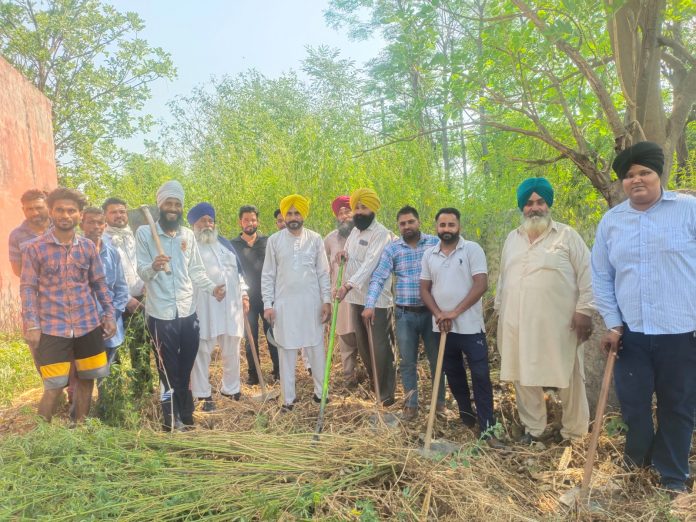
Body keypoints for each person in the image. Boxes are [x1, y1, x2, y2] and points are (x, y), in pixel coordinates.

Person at [591, 141, 696, 495]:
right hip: (631, 334)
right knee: (634, 406)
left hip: (681, 332)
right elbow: (602, 276)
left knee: (677, 406)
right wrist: (613, 323)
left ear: (658, 174)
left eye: (644, 172)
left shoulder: (688, 210)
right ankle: (637, 462)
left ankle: (673, 474)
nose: (637, 179)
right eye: (629, 175)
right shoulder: (612, 221)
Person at [495, 178, 593, 444]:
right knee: (522, 376)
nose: (534, 208)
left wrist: (585, 310)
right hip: (516, 324)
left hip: (560, 326)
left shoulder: (567, 236)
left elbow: (588, 275)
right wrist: (499, 312)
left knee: (569, 376)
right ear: (521, 207)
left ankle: (575, 433)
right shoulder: (511, 239)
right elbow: (504, 280)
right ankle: (534, 429)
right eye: (528, 203)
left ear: (548, 204)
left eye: (540, 202)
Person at [20, 187, 116, 422]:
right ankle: (44, 439)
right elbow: (28, 289)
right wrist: (31, 325)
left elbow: (99, 283)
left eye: (71, 211)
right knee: (53, 385)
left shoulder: (87, 248)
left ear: (79, 215)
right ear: (51, 212)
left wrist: (110, 314)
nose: (65, 215)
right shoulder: (34, 248)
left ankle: (79, 428)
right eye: (60, 210)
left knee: (87, 379)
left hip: (88, 324)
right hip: (53, 328)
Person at [136, 180, 226, 430]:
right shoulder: (145, 233)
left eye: (177, 204)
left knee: (185, 367)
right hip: (161, 314)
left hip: (187, 312)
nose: (173, 208)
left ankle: (186, 414)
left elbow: (196, 271)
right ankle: (170, 418)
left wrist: (212, 288)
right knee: (167, 371)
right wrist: (153, 266)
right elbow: (141, 272)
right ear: (160, 205)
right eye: (168, 203)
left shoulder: (187, 235)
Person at [420, 208, 503, 448]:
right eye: (442, 225)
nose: (447, 229)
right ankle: (467, 417)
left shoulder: (472, 250)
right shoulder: (429, 255)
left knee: (480, 376)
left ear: (459, 227)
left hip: (469, 327)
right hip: (443, 329)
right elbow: (425, 288)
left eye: (451, 225)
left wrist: (453, 313)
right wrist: (438, 314)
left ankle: (488, 427)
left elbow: (481, 285)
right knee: (454, 374)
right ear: (436, 227)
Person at [364, 205, 445, 420]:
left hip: (432, 313)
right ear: (398, 226)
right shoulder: (393, 249)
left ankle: (440, 404)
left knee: (437, 360)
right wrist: (369, 304)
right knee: (407, 362)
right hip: (404, 315)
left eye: (411, 222)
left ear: (418, 222)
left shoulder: (434, 244)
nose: (407, 226)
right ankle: (411, 404)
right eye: (402, 223)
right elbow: (379, 277)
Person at [261, 195, 331, 410]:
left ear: (303, 215)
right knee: (287, 352)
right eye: (289, 213)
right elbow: (268, 275)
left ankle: (321, 394)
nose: (293, 217)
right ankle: (288, 399)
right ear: (284, 215)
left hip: (312, 305)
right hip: (285, 306)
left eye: (297, 213)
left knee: (316, 350)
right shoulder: (274, 240)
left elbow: (323, 273)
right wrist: (268, 304)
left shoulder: (315, 239)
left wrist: (326, 300)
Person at [336, 188, 396, 406]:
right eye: (357, 208)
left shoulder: (382, 234)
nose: (359, 212)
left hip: (377, 301)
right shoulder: (354, 232)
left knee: (380, 347)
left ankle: (387, 396)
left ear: (373, 209)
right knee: (363, 346)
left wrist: (349, 285)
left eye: (364, 207)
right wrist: (343, 254)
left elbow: (371, 264)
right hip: (355, 299)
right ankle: (375, 389)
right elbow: (351, 256)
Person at [187, 203, 249, 412]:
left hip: (231, 308)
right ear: (193, 224)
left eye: (210, 220)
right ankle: (203, 394)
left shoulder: (225, 245)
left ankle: (231, 388)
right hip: (204, 306)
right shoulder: (189, 246)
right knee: (202, 350)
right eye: (202, 221)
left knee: (232, 347)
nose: (207, 224)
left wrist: (244, 294)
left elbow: (238, 273)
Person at [102, 197, 152, 395]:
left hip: (140, 301)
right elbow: (102, 279)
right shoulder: (102, 241)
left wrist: (148, 285)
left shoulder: (136, 236)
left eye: (122, 211)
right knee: (112, 348)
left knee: (140, 347)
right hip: (114, 304)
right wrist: (125, 299)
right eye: (113, 212)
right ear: (106, 215)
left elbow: (145, 264)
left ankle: (143, 390)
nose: (119, 215)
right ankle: (116, 395)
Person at [230, 205, 280, 384]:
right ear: (240, 222)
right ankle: (254, 374)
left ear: (257, 221)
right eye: (246, 220)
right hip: (246, 299)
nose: (250, 223)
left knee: (273, 335)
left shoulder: (268, 242)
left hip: (268, 297)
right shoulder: (232, 245)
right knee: (249, 338)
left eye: (253, 219)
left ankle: (278, 371)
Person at [80, 207, 129, 365]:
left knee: (109, 376)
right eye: (91, 222)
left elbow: (121, 290)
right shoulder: (73, 252)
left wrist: (110, 317)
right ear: (81, 225)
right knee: (82, 378)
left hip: (109, 327)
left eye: (100, 222)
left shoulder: (112, 253)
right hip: (82, 325)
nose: (96, 226)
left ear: (105, 225)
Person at [324, 195, 359, 386]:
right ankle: (349, 377)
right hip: (340, 298)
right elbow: (323, 270)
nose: (344, 216)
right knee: (345, 337)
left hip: (361, 295)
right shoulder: (330, 239)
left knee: (365, 337)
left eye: (347, 211)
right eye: (340, 213)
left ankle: (373, 377)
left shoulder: (365, 235)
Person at [9, 189, 51, 277]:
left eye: (39, 208)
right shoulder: (16, 236)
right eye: (29, 209)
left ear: (48, 207)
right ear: (23, 210)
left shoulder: (61, 228)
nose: (35, 213)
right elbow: (17, 270)